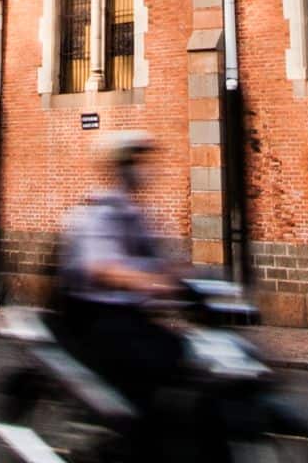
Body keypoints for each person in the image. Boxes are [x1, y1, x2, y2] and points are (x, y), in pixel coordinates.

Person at [56, 130, 185, 448]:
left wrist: (193, 283)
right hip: (100, 315)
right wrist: (153, 282)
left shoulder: (136, 213)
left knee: (182, 354)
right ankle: (131, 439)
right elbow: (103, 267)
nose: (143, 168)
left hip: (132, 313)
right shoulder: (99, 211)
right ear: (118, 166)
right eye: (134, 160)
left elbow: (164, 261)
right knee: (153, 365)